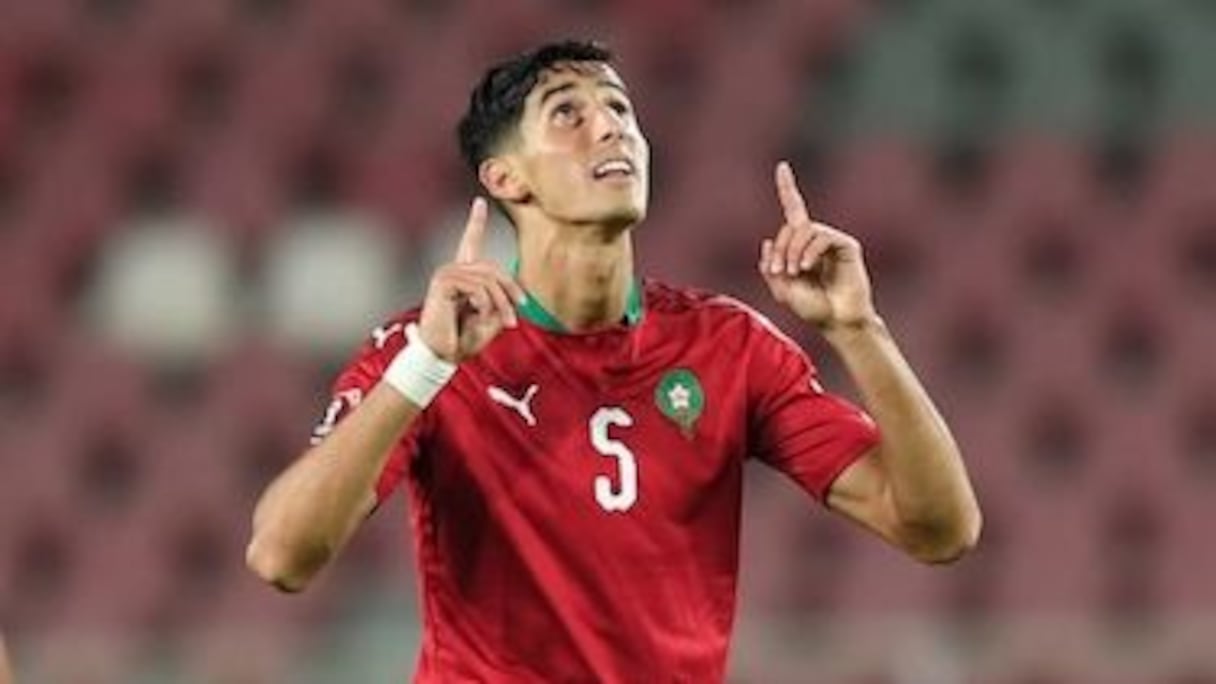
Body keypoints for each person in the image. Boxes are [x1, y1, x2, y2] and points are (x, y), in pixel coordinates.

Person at [246, 40, 981, 682]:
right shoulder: (433, 346)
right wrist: (425, 366)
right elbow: (282, 556)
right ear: (506, 179)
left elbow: (940, 529)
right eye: (568, 113)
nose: (610, 128)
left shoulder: (728, 347)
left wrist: (859, 329)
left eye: (621, 110)